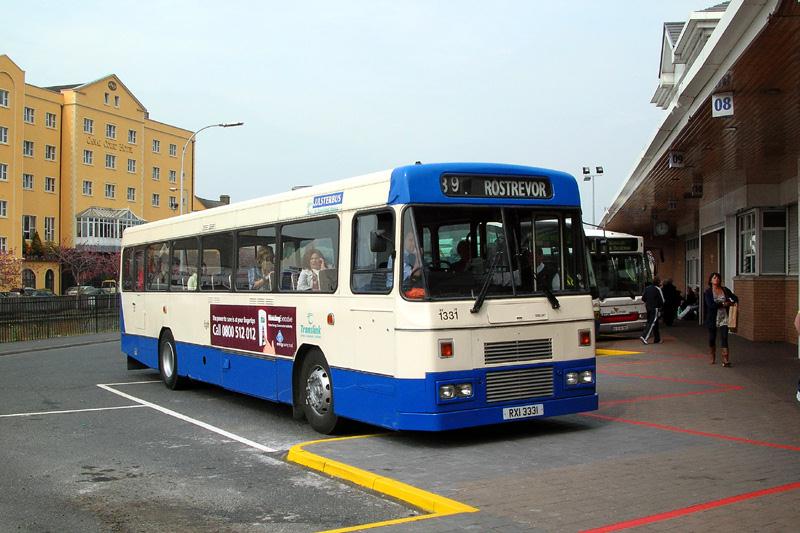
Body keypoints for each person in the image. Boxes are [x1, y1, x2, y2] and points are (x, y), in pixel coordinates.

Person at [703, 272, 738, 367]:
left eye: (718, 278)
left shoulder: (725, 290)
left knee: (724, 337)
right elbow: (710, 305)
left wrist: (730, 302)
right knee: (712, 338)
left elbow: (735, 298)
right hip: (713, 318)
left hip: (724, 317)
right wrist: (723, 304)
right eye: (714, 278)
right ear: (710, 280)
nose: (716, 279)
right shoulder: (708, 292)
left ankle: (725, 359)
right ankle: (712, 355)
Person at [640, 276, 664, 344]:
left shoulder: (647, 288)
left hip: (648, 307)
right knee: (652, 323)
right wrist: (660, 307)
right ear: (658, 282)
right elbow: (662, 301)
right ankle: (644, 337)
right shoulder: (658, 289)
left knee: (654, 323)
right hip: (655, 308)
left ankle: (657, 339)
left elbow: (643, 298)